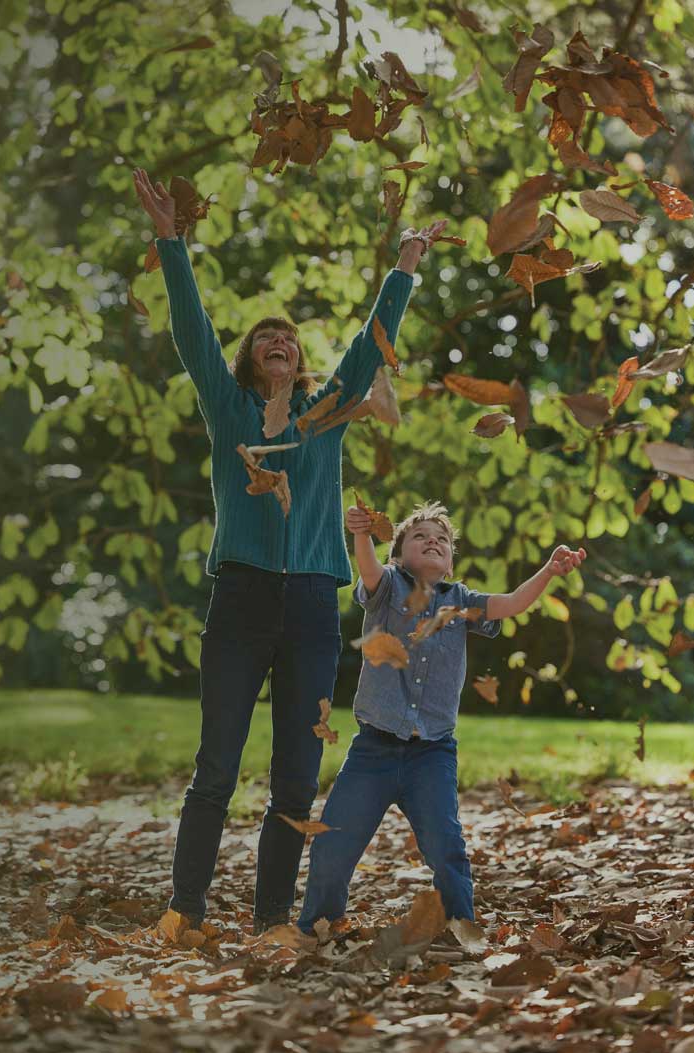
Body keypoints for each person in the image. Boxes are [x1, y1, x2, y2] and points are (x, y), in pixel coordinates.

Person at [130, 166, 450, 935]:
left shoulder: (322, 415)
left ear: (299, 363)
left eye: (289, 337)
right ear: (248, 361)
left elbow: (368, 360)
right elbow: (192, 330)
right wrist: (171, 239)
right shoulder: (229, 404)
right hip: (239, 600)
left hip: (311, 606)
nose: (277, 340)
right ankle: (187, 910)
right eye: (264, 337)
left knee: (296, 778)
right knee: (215, 767)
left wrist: (403, 272)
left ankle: (272, 917)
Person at [295, 499, 585, 932]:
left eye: (443, 539)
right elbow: (369, 570)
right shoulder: (388, 586)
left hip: (432, 755)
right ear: (398, 554)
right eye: (420, 536)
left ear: (450, 561)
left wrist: (547, 571)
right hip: (374, 750)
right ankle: (317, 925)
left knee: (447, 845)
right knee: (333, 842)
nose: (433, 541)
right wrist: (360, 534)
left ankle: (460, 926)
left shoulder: (461, 600)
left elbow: (509, 604)